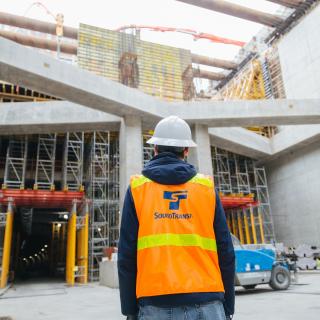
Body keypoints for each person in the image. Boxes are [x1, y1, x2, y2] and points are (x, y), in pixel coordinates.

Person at [118, 116, 235, 320]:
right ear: (186, 151)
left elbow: (127, 255)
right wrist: (228, 305)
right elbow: (225, 250)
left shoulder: (137, 189)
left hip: (155, 302)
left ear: (155, 149)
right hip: (208, 300)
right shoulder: (206, 189)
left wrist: (129, 310)